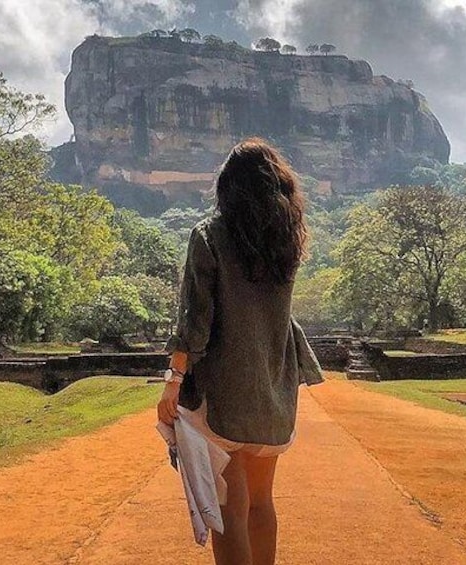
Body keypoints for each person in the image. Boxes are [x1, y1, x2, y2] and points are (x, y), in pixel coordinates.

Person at [157, 137, 324, 565]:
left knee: (230, 506)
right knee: (261, 503)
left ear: (226, 188)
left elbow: (195, 321)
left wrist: (173, 381)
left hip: (227, 389)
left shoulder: (209, 236)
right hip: (274, 386)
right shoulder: (287, 241)